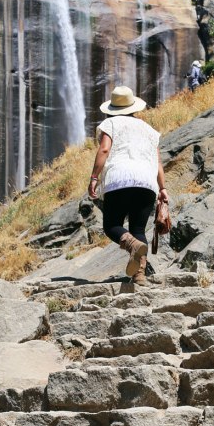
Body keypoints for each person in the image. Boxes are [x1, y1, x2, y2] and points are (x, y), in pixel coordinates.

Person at [88, 86, 169, 286]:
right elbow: (158, 162)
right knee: (138, 229)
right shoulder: (149, 130)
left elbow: (105, 149)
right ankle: (139, 275)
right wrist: (163, 189)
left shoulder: (111, 123)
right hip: (147, 183)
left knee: (111, 225)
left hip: (119, 179)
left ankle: (132, 245)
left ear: (112, 108)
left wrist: (94, 177)